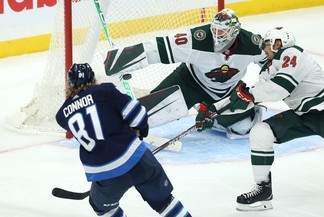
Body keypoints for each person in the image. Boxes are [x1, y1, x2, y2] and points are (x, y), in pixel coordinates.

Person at [227, 27, 324, 211]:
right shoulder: (270, 68)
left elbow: (279, 89)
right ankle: (263, 192)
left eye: (267, 44)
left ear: (277, 43)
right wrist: (219, 109)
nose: (264, 49)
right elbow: (255, 93)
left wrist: (248, 95)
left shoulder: (292, 53)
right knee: (260, 132)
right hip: (302, 115)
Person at [104, 8, 267, 139]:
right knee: (148, 115)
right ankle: (111, 124)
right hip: (189, 82)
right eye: (215, 30)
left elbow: (272, 65)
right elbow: (159, 47)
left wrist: (253, 93)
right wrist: (120, 59)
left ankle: (212, 115)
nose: (217, 36)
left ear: (235, 32)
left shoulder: (252, 44)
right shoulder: (198, 39)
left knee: (244, 128)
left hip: (227, 92)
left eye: (222, 32)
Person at [55, 63, 191, 217]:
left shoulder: (62, 115)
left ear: (69, 84)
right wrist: (140, 130)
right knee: (164, 202)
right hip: (138, 160)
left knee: (101, 207)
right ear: (92, 78)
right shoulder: (105, 90)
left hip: (105, 173)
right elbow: (138, 115)